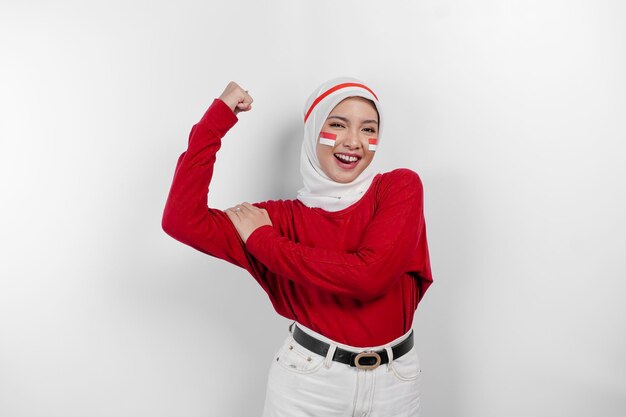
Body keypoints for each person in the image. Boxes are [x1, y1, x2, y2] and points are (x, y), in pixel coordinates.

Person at [162, 77, 433, 416]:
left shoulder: (398, 188)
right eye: (337, 124)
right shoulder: (276, 218)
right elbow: (181, 220)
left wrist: (264, 243)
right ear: (314, 129)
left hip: (396, 383)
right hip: (309, 386)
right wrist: (216, 120)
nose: (354, 142)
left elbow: (369, 277)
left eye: (368, 129)